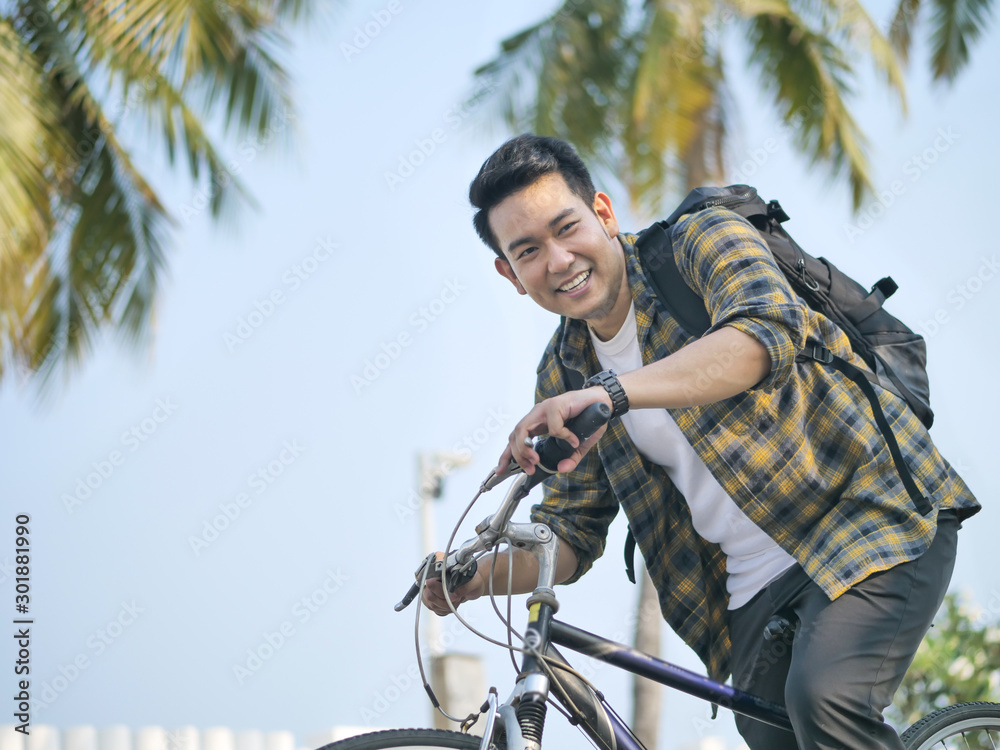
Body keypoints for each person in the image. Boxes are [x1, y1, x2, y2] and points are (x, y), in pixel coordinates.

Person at [421, 134, 980, 750]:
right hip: (751, 596)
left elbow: (762, 338)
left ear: (603, 213)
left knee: (824, 699)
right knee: (778, 738)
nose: (558, 260)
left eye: (567, 228)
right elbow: (572, 535)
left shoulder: (699, 243)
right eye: (528, 250)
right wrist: (474, 580)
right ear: (511, 273)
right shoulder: (563, 371)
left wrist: (614, 393)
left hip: (869, 517)